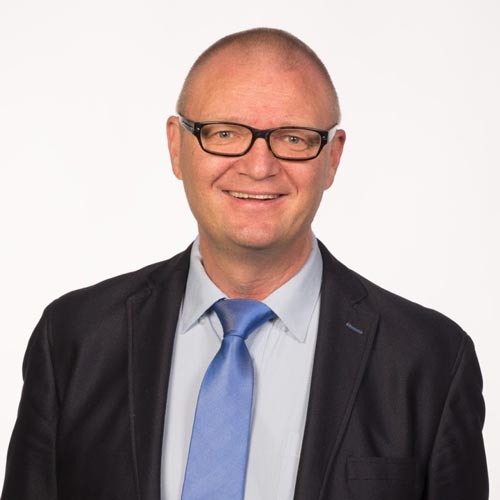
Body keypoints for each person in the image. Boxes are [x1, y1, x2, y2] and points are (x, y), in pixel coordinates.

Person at [1, 27, 488, 500]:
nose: (258, 166)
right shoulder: (74, 339)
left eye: (294, 139)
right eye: (225, 133)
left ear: (333, 158)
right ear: (176, 146)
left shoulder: (429, 361)